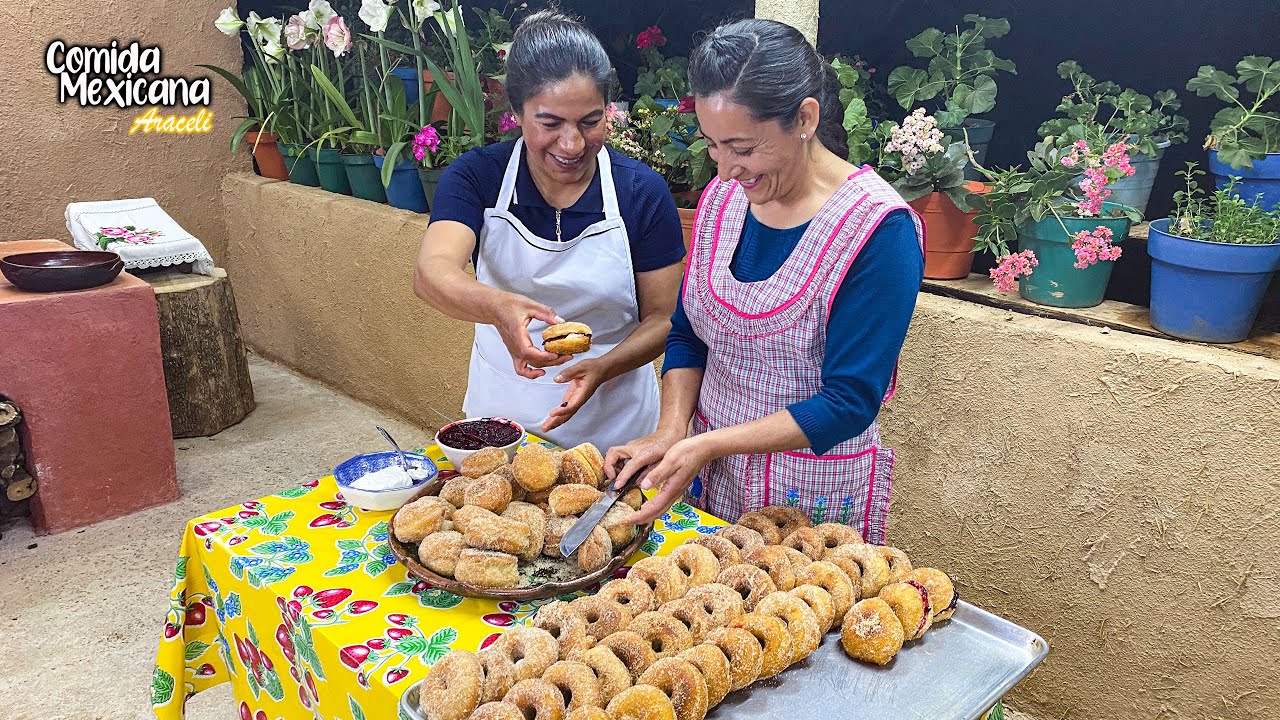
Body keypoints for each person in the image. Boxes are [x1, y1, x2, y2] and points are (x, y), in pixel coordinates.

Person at [606, 19, 924, 544]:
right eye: (712, 146)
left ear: (805, 117)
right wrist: (671, 432)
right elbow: (689, 334)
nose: (728, 168)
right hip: (712, 480)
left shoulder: (877, 233)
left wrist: (710, 445)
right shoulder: (723, 203)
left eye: (744, 148)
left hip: (808, 500)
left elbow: (848, 401)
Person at [413, 10, 686, 451]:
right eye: (550, 123)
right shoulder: (476, 178)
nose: (572, 144)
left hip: (615, 423)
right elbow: (431, 274)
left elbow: (664, 316)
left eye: (590, 121)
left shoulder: (641, 193)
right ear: (517, 111)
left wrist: (603, 367)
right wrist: (497, 305)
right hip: (500, 423)